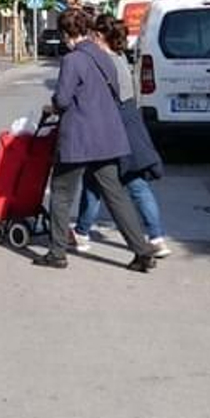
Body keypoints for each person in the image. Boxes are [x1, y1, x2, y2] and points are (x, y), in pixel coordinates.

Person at [31, 8, 156, 273]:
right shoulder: (103, 56)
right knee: (116, 195)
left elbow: (62, 99)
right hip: (107, 137)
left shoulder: (73, 60)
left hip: (79, 138)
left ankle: (57, 253)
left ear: (65, 34)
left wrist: (51, 107)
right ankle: (142, 251)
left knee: (61, 193)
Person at [73, 15, 169, 257]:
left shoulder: (102, 62)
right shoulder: (121, 58)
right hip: (131, 123)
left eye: (92, 35)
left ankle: (82, 233)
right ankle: (157, 238)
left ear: (98, 35)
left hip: (112, 127)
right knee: (134, 184)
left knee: (96, 181)